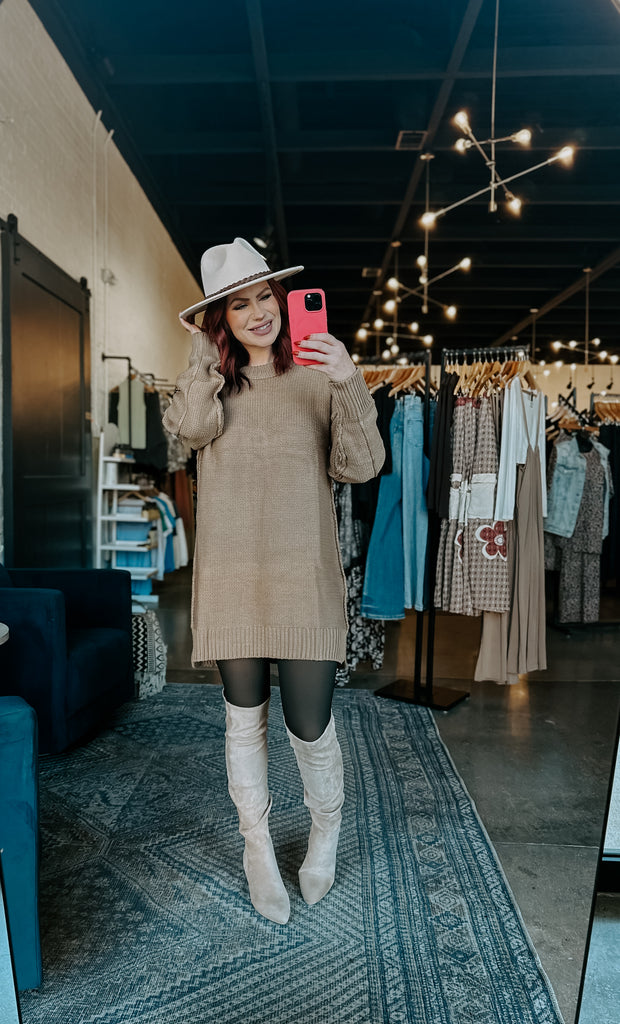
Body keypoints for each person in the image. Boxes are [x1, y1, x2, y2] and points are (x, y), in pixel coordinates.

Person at [163, 237, 385, 924]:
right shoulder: (208, 387)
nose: (258, 312)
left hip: (305, 573)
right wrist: (202, 359)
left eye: (265, 296)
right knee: (244, 720)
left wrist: (349, 378)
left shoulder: (318, 376)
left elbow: (364, 464)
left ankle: (325, 830)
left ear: (283, 300)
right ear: (219, 320)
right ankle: (256, 845)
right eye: (238, 304)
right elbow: (189, 430)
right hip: (232, 574)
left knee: (309, 721)